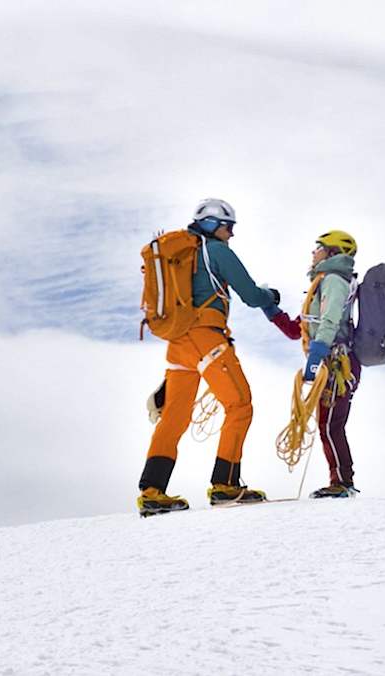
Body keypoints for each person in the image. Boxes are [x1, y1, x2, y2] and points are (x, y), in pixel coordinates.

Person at [137, 198, 281, 516]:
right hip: (206, 338)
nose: (231, 234)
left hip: (178, 344)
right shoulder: (216, 252)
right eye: (229, 227)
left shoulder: (183, 256)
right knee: (240, 404)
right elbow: (251, 294)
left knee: (174, 417)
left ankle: (151, 491)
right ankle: (226, 484)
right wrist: (271, 297)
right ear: (214, 224)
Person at [263, 230, 362, 498]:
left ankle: (342, 482)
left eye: (319, 246)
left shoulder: (334, 281)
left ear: (333, 253)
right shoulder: (324, 282)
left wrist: (317, 355)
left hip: (336, 362)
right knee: (329, 424)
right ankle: (341, 480)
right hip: (334, 361)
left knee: (331, 425)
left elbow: (329, 321)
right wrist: (271, 310)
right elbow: (300, 329)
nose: (313, 251)